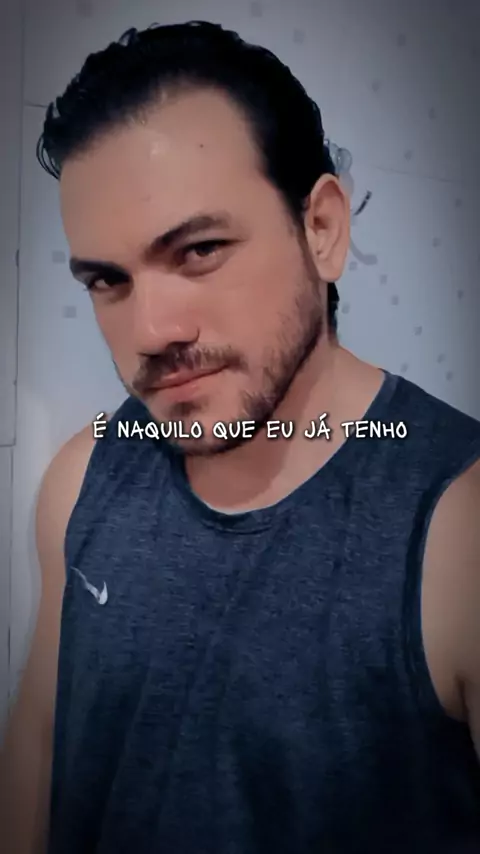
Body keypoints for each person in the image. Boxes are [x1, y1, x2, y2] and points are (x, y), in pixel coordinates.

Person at [1, 20, 479, 854]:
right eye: (108, 279)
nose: (151, 330)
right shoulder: (80, 480)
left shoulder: (457, 535)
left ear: (321, 229)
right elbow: (38, 750)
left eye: (199, 250)